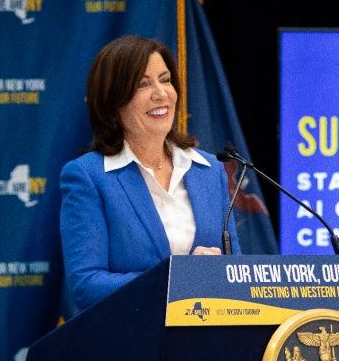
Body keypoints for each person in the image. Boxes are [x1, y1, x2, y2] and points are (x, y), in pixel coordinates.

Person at [60, 35, 240, 310]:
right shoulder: (88, 177)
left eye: (165, 80)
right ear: (112, 102)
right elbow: (87, 284)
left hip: (206, 340)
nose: (161, 93)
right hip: (132, 343)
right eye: (143, 84)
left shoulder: (210, 171)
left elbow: (236, 271)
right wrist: (178, 278)